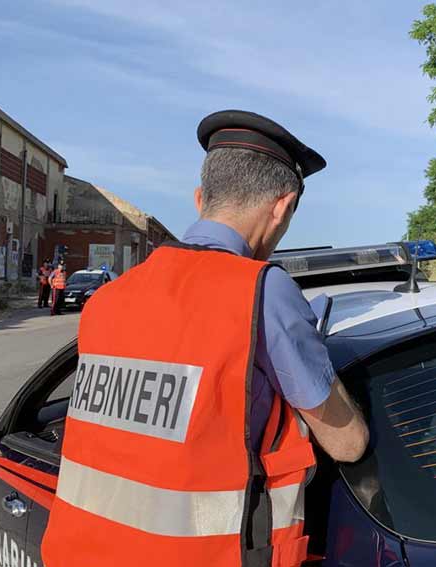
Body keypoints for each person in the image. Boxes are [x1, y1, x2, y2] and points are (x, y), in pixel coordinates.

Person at [41, 110, 369, 567]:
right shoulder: (261, 292)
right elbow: (347, 443)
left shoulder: (108, 299)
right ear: (282, 205)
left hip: (78, 551)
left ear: (200, 199)